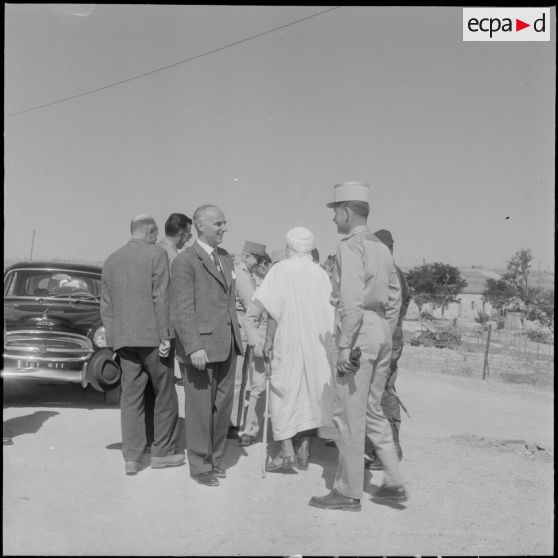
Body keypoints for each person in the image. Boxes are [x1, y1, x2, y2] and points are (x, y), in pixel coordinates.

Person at [309, 182, 407, 512]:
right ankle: (393, 481)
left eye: (335, 211)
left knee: (349, 416)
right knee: (373, 409)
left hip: (359, 331)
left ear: (347, 212)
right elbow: (395, 299)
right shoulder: (381, 247)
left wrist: (343, 346)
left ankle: (348, 492)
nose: (334, 218)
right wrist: (384, 333)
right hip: (379, 330)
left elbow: (350, 303)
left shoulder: (350, 247)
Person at [100, 214, 183, 476]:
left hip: (124, 341)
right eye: (154, 233)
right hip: (152, 339)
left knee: (131, 397)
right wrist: (165, 336)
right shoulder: (156, 255)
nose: (156, 238)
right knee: (165, 394)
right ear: (148, 231)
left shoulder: (111, 259)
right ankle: (162, 452)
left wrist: (114, 341)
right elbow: (161, 298)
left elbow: (106, 305)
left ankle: (132, 458)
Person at [170, 204, 243, 487]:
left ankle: (214, 458)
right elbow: (182, 309)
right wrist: (193, 345)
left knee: (222, 406)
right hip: (200, 348)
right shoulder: (185, 261)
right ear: (200, 226)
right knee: (200, 408)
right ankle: (200, 466)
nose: (224, 228)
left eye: (225, 223)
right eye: (219, 224)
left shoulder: (225, 258)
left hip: (227, 343)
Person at [254, 227, 335, 471]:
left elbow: (272, 310)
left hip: (289, 340)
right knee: (311, 394)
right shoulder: (320, 274)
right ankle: (304, 449)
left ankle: (287, 450)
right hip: (316, 343)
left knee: (284, 392)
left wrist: (268, 340)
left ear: (290, 246)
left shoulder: (281, 269)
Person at [365, 229, 411, 469]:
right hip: (391, 338)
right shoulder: (396, 272)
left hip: (388, 339)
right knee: (383, 390)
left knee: (381, 392)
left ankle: (389, 451)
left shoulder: (389, 273)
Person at [238, 249, 286, 447]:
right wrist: (256, 344)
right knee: (258, 389)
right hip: (264, 347)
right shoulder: (264, 291)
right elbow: (249, 320)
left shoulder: (294, 291)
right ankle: (251, 429)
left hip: (287, 347)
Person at [229, 241, 270, 442]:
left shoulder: (243, 272)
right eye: (258, 259)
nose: (259, 264)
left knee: (242, 381)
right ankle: (232, 423)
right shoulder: (242, 274)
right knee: (238, 381)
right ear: (248, 256)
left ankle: (235, 422)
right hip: (242, 332)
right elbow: (250, 302)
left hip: (243, 330)